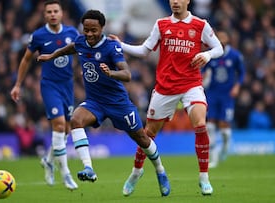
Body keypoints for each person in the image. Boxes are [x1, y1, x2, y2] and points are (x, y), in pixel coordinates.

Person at [37, 9, 171, 197]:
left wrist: (111, 73)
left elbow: (127, 74)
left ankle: (160, 171)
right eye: (86, 30)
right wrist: (51, 56)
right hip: (95, 102)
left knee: (142, 139)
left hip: (118, 103)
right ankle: (88, 168)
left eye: (94, 30)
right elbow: (70, 48)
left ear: (102, 28)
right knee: (75, 120)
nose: (90, 34)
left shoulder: (111, 47)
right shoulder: (81, 41)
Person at [109, 0, 224, 196]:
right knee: (147, 134)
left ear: (187, 1)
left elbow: (219, 48)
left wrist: (207, 55)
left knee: (200, 125)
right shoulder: (162, 24)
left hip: (191, 85)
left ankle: (204, 178)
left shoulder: (200, 24)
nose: (175, 2)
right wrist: (121, 45)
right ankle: (136, 172)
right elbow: (144, 50)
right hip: (165, 88)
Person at [10, 0, 78, 190]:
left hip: (68, 86)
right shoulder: (39, 36)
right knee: (59, 125)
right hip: (50, 86)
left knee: (65, 131)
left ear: (62, 13)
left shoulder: (72, 33)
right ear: (44, 15)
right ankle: (66, 174)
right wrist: (17, 85)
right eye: (49, 12)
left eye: (56, 11)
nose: (53, 14)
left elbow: (84, 51)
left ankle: (48, 160)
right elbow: (26, 60)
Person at [201, 30, 245, 168]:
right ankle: (213, 158)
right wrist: (203, 77)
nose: (221, 40)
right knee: (210, 126)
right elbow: (202, 70)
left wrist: (237, 86)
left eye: (223, 37)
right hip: (212, 94)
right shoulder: (212, 54)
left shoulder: (235, 55)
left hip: (227, 95)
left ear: (228, 39)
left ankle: (226, 146)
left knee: (224, 128)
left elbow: (242, 72)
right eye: (218, 37)